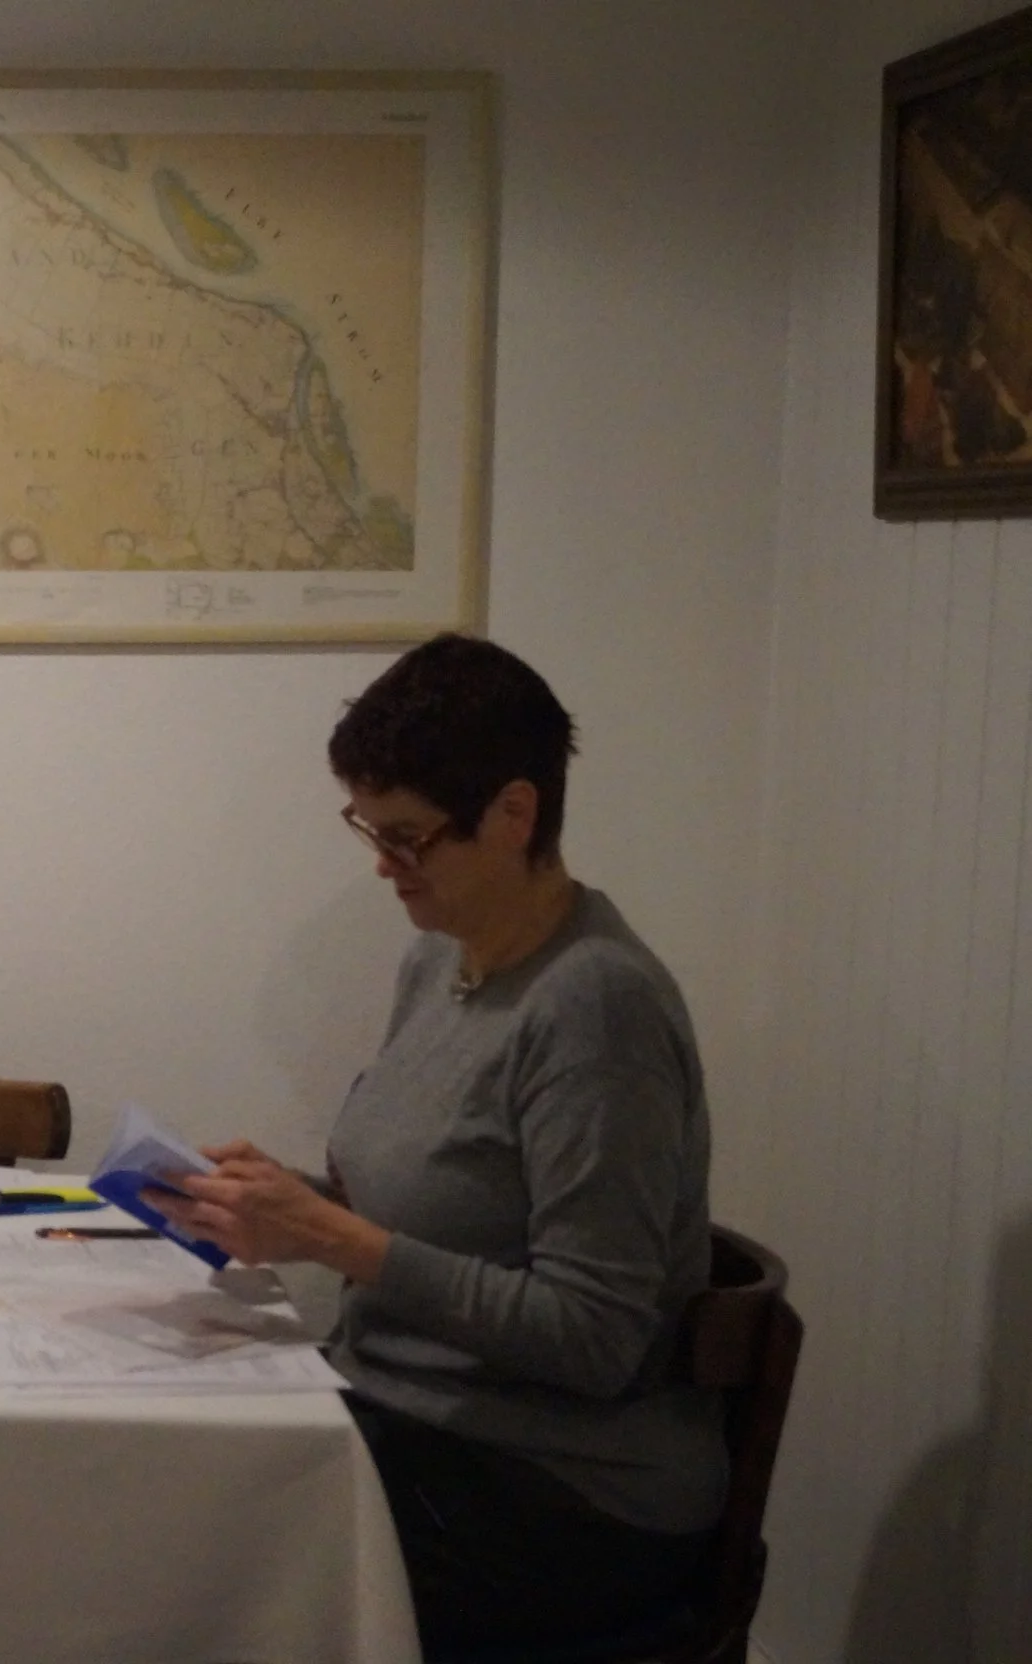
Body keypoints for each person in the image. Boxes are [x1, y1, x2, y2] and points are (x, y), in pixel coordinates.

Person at [145, 633, 725, 1656]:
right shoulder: (439, 963)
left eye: (408, 836)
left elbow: (595, 1337)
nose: (382, 864)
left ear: (513, 814)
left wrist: (332, 1237)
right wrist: (285, 1201)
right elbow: (437, 1207)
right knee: (174, 1480)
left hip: (560, 1487)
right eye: (369, 829)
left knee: (199, 1562)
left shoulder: (595, 1007)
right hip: (412, 1421)